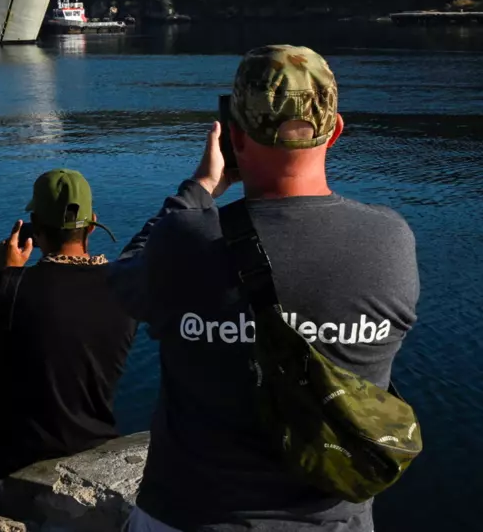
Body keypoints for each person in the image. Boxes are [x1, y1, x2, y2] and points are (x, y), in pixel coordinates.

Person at [109, 46, 420, 531]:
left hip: (188, 517)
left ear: (233, 134)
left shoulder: (187, 239)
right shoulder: (390, 240)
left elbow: (121, 279)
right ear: (335, 130)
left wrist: (200, 188)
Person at [0, 169, 136, 515]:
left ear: (34, 228)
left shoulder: (14, 287)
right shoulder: (124, 289)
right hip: (96, 444)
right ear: (93, 223)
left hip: (15, 459)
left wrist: (3, 276)